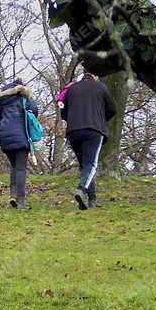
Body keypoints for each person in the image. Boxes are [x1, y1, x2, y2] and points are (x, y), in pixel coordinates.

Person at [59, 67, 117, 210]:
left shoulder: (71, 89)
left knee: (85, 166)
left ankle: (92, 199)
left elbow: (63, 111)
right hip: (93, 131)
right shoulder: (101, 87)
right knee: (91, 165)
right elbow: (113, 109)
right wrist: (101, 119)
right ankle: (81, 188)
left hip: (73, 132)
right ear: (95, 75)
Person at [0, 78, 40, 209]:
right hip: (21, 138)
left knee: (14, 167)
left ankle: (13, 196)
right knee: (20, 168)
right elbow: (35, 111)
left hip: (5, 141)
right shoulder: (24, 99)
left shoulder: (0, 102)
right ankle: (21, 201)